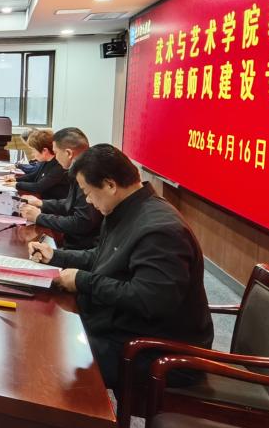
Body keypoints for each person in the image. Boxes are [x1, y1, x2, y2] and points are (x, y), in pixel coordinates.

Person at [27, 144, 212, 388]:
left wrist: (82, 281)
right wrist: (56, 256)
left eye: (88, 193)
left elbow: (149, 300)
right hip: (126, 328)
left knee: (51, 359)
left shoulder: (161, 230)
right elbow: (102, 256)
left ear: (110, 185)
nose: (88, 201)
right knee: (48, 329)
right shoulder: (125, 209)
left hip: (158, 351)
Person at [17, 127, 101, 250]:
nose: (55, 158)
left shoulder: (87, 176)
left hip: (80, 248)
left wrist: (39, 217)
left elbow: (81, 222)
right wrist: (41, 203)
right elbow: (71, 203)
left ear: (68, 153)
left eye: (56, 153)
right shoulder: (79, 170)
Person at [6, 128, 68, 198]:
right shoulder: (45, 161)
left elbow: (38, 187)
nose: (32, 154)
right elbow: (34, 176)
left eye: (34, 150)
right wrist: (16, 179)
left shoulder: (59, 167)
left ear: (44, 151)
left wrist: (16, 184)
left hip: (52, 202)